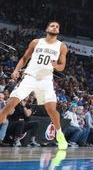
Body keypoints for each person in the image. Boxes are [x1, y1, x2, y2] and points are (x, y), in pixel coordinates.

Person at [0, 21, 68, 150]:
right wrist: (15, 70)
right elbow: (24, 58)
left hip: (46, 80)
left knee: (52, 109)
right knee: (9, 105)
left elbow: (62, 66)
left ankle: (59, 134)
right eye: (52, 25)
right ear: (47, 28)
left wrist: (56, 66)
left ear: (58, 31)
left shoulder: (62, 46)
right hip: (30, 77)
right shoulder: (36, 42)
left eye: (57, 26)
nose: (55, 27)